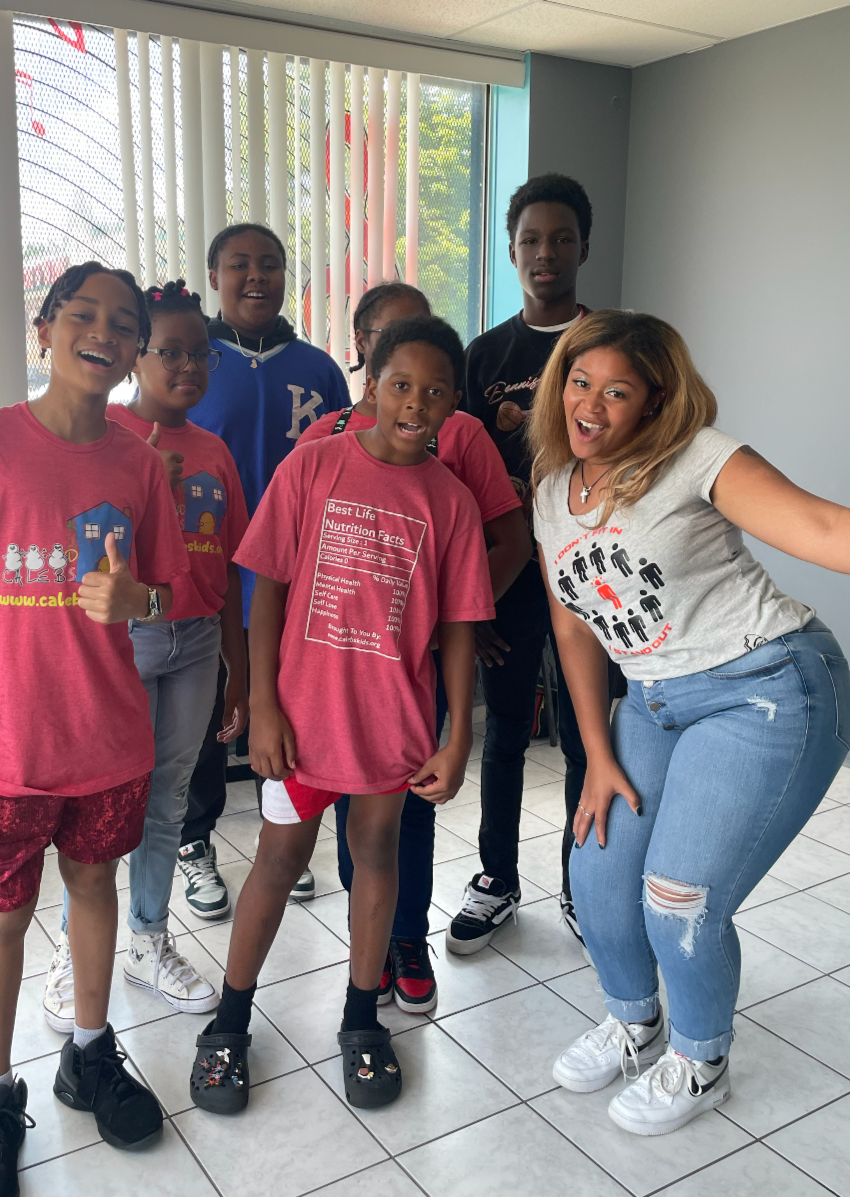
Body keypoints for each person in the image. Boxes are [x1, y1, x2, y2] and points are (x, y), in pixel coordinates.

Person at [533, 309, 850, 1135]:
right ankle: (634, 1020)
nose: (590, 405)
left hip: (766, 685)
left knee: (678, 898)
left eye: (617, 391)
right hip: (653, 701)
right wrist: (597, 752)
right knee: (597, 874)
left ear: (655, 400)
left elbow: (821, 526)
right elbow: (574, 629)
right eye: (580, 381)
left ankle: (700, 1057)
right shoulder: (550, 492)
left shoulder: (695, 458)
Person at [0, 263, 188, 1195]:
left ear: (136, 349)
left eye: (123, 323)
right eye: (83, 314)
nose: (103, 333)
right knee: (2, 915)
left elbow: (169, 592)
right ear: (44, 328)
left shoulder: (139, 462)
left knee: (94, 888)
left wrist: (137, 598)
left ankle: (89, 1051)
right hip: (7, 750)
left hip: (108, 741)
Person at [187, 317, 494, 1115]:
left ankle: (362, 1016)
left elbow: (460, 629)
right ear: (370, 385)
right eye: (401, 385)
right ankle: (229, 1019)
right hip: (300, 720)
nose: (416, 403)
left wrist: (458, 734)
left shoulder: (452, 503)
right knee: (278, 859)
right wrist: (262, 702)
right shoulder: (313, 466)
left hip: (392, 724)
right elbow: (266, 590)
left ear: (453, 403)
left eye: (435, 391)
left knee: (376, 853)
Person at [300, 283, 529, 1011]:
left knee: (412, 805)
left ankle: (406, 936)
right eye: (393, 343)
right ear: (368, 354)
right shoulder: (324, 440)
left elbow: (510, 539)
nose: (415, 387)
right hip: (336, 666)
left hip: (412, 669)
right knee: (354, 813)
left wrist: (458, 615)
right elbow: (295, 561)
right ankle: (367, 934)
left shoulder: (460, 436)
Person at [41, 279, 249, 1033]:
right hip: (122, 644)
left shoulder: (216, 453)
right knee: (99, 803)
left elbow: (228, 571)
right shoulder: (108, 437)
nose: (187, 366)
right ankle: (75, 948)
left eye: (201, 354)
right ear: (136, 356)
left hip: (195, 645)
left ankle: (148, 939)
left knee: (168, 800)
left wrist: (239, 671)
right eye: (170, 351)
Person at [455, 172, 622, 954]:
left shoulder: (613, 344)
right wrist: (476, 594)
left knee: (590, 738)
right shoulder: (485, 353)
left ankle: (583, 883)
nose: (544, 253)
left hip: (597, 576)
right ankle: (496, 878)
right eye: (530, 240)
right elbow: (457, 478)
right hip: (513, 577)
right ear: (511, 249)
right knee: (504, 734)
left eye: (561, 238)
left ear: (584, 248)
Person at [177, 223, 350, 918]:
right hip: (209, 574)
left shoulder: (319, 369)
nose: (256, 276)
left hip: (295, 580)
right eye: (240, 264)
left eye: (270, 264)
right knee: (206, 718)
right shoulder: (194, 362)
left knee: (284, 711)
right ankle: (194, 842)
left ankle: (283, 840)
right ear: (214, 275)